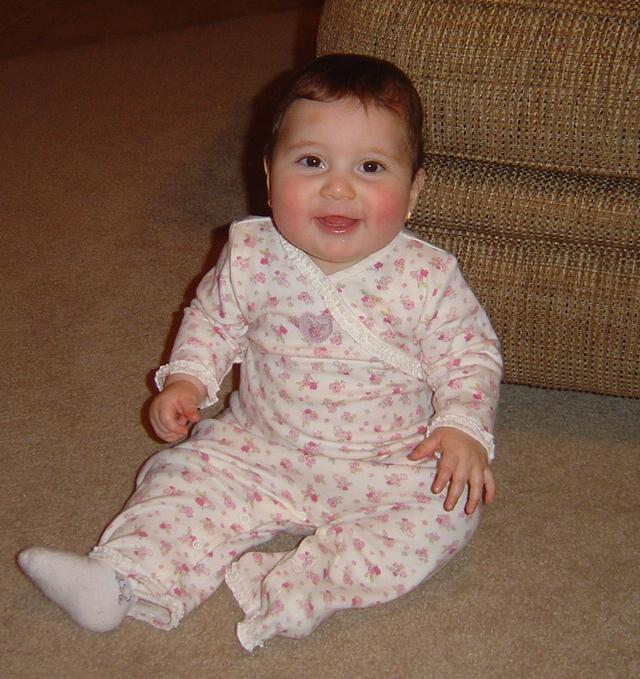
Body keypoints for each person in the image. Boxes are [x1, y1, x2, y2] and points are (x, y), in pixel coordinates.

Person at [18, 53, 502, 652]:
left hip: (387, 461)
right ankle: (121, 577)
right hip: (258, 446)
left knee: (448, 511)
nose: (338, 187)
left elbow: (470, 356)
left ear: (413, 191)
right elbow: (213, 320)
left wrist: (463, 427)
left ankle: (304, 584)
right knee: (181, 479)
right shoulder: (252, 253)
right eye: (311, 162)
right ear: (270, 176)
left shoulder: (427, 276)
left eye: (371, 167)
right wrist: (189, 380)